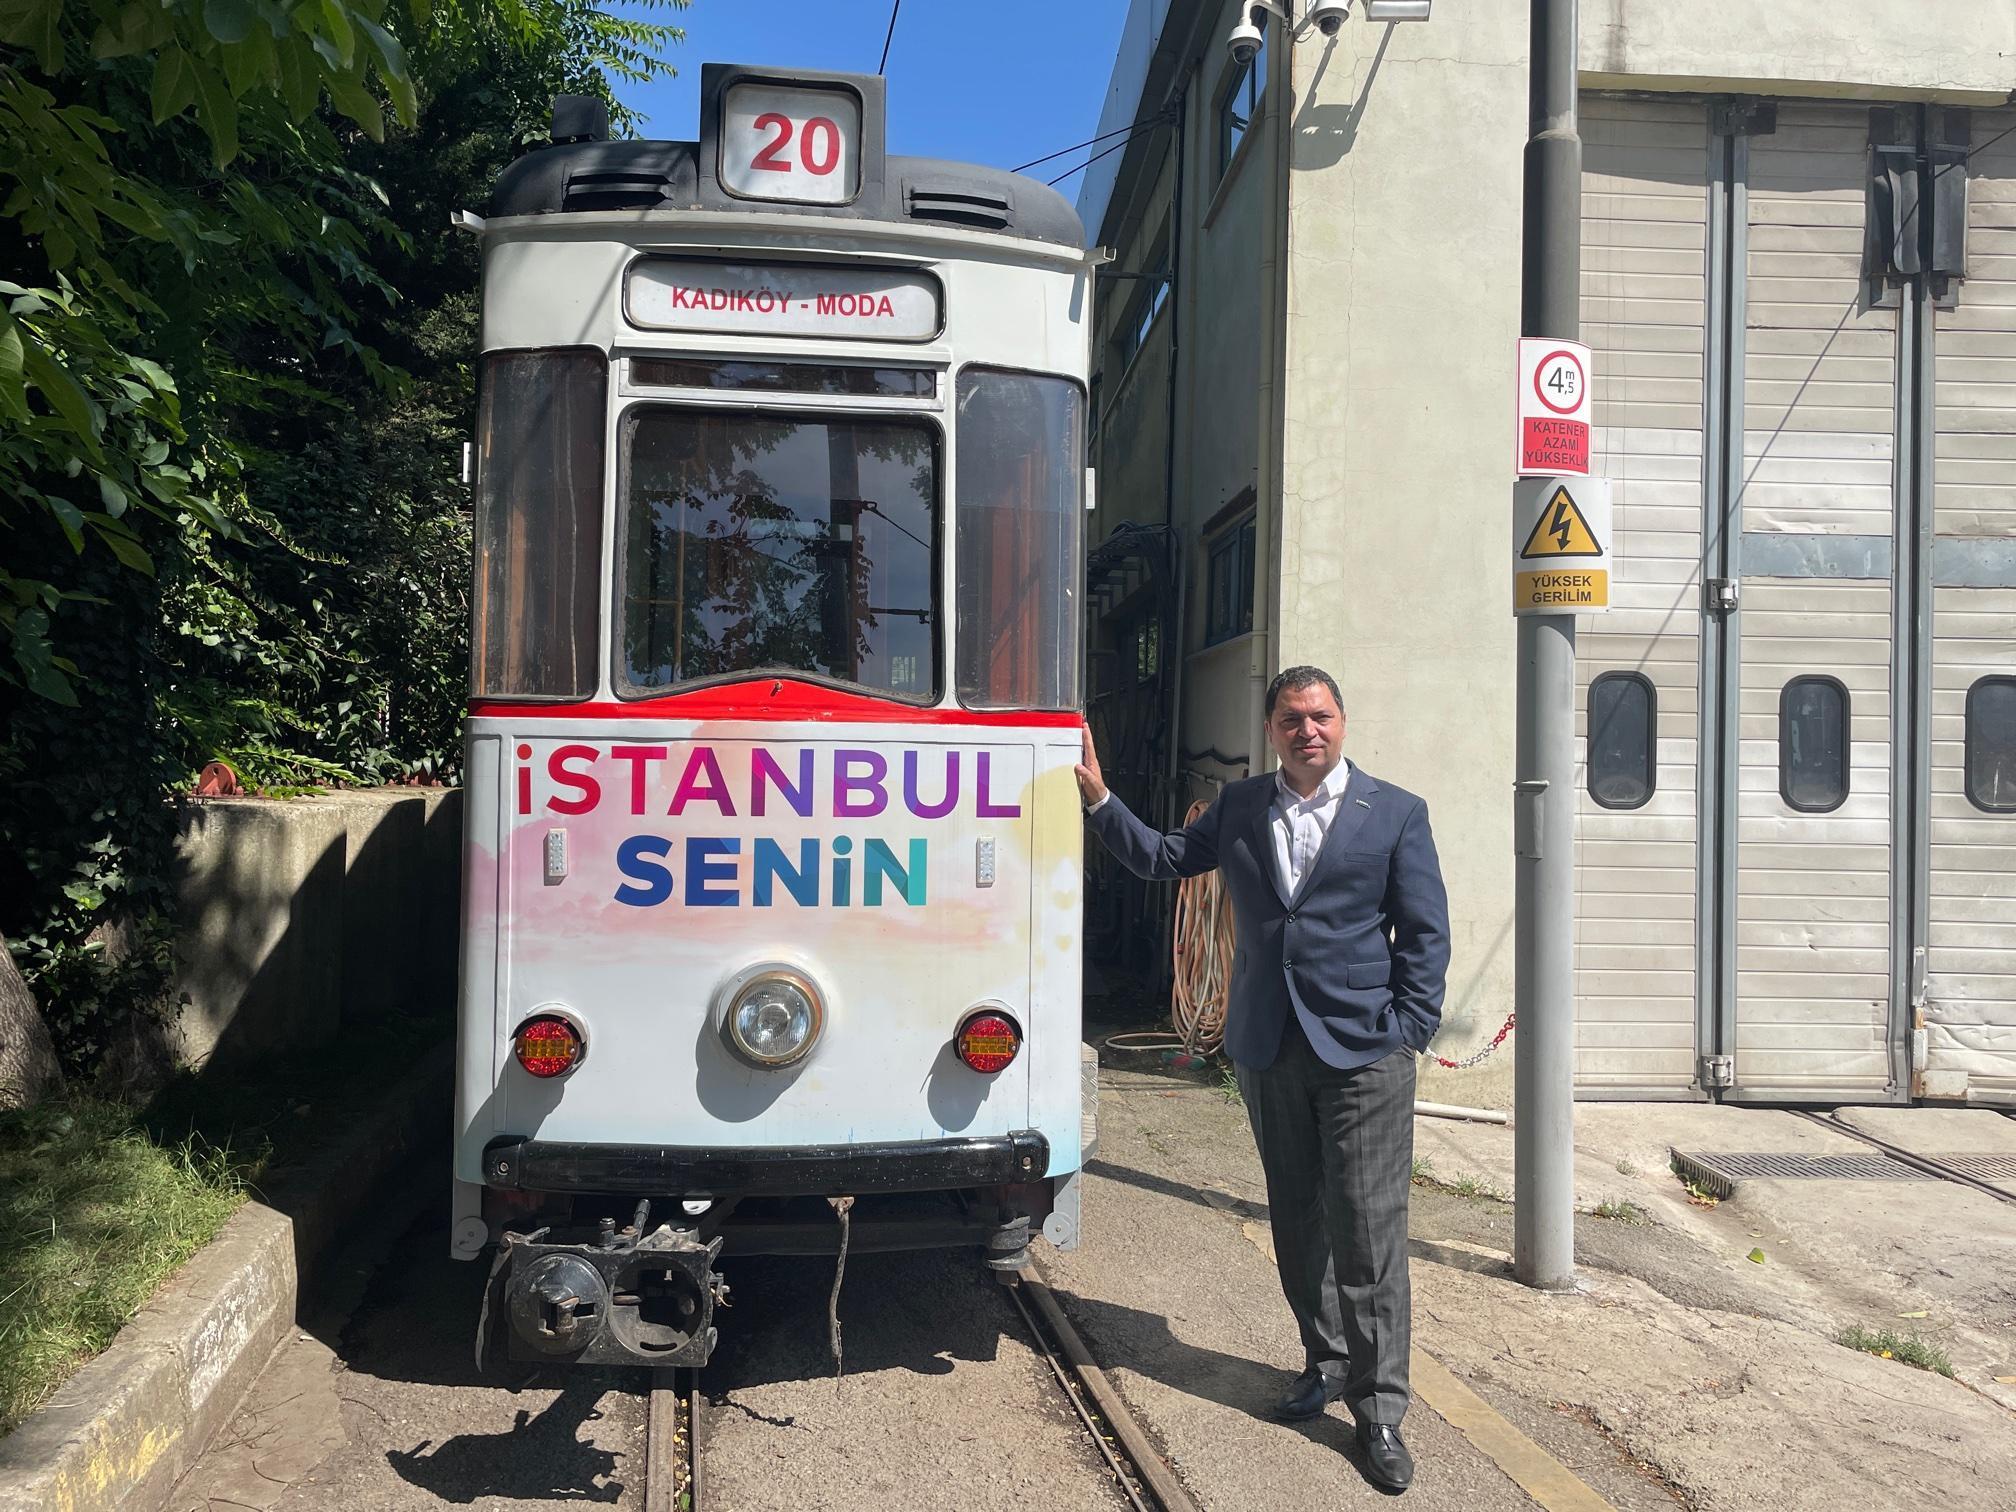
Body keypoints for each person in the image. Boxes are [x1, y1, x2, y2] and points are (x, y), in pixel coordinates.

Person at [1078, 665, 1449, 1493]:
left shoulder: (1394, 813)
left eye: (1319, 715)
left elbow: (1425, 936)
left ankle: (1380, 1408)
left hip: (1364, 1054)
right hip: (1268, 1047)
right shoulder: (1241, 807)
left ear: (1342, 722)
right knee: (1298, 1220)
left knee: (1369, 1231)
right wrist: (1102, 801)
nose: (1306, 729)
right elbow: (1166, 858)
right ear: (1272, 729)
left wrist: (1407, 1033)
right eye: (1290, 718)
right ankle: (1326, 1360)